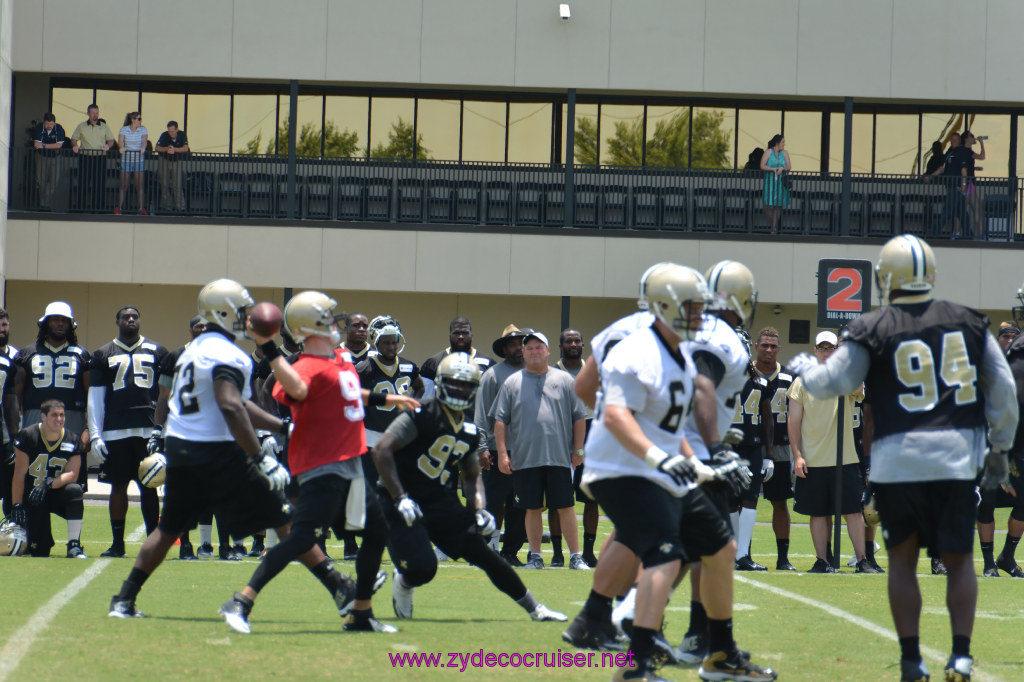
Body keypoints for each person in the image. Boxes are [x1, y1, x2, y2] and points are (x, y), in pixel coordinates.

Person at [799, 234, 1018, 681]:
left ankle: (911, 659)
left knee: (901, 560)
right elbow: (1005, 394)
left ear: (885, 278)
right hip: (957, 456)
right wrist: (999, 447)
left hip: (898, 460)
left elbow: (831, 384)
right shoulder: (969, 322)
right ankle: (960, 656)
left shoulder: (874, 325)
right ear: (930, 274)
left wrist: (806, 365)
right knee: (958, 560)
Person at [580, 264, 774, 682]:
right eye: (692, 308)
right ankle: (635, 655)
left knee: (718, 547)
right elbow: (614, 411)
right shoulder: (644, 349)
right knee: (667, 553)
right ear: (666, 306)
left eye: (703, 307)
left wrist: (698, 458)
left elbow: (675, 421)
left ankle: (714, 652)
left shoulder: (680, 351)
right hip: (632, 467)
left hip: (671, 464)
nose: (701, 317)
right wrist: (666, 455)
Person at [107, 279, 337, 619]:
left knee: (167, 529)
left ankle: (124, 600)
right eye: (243, 311)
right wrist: (260, 457)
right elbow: (231, 406)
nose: (248, 318)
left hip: (183, 449)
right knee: (287, 521)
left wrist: (282, 426)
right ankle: (341, 587)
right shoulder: (228, 354)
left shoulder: (194, 350)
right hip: (216, 454)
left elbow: (239, 403)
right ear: (225, 312)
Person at [219, 290, 418, 635]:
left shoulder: (340, 358)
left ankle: (361, 613)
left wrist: (389, 397)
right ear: (310, 326)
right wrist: (267, 346)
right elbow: (296, 388)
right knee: (301, 537)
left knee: (376, 532)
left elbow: (350, 390)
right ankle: (241, 601)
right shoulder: (303, 367)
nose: (335, 322)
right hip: (322, 462)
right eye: (327, 316)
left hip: (351, 460)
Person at [373, 352, 566, 624]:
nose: (459, 389)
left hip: (439, 499)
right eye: (454, 383)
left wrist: (478, 509)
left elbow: (471, 474)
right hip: (398, 500)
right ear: (440, 383)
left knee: (484, 554)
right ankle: (404, 581)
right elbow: (382, 451)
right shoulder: (420, 414)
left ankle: (536, 609)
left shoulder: (471, 431)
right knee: (424, 568)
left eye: (465, 385)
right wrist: (400, 497)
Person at [492, 331, 588, 570]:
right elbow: (500, 420)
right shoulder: (512, 382)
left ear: (548, 351)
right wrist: (503, 454)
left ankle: (576, 556)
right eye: (530, 348)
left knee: (566, 506)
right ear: (523, 352)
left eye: (539, 347)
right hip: (525, 458)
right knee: (531, 507)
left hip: (559, 457)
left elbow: (579, 417)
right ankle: (535, 556)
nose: (535, 351)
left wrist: (579, 450)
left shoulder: (565, 380)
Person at [787, 331, 876, 573]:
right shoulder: (801, 382)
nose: (826, 352)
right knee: (818, 513)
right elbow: (793, 422)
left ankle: (862, 560)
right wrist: (797, 455)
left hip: (844, 457)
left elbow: (859, 388)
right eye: (822, 348)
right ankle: (822, 560)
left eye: (831, 348)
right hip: (813, 459)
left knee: (853, 512)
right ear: (815, 351)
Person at [88, 306, 168, 558]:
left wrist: (163, 429)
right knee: (118, 486)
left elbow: (167, 395)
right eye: (126, 316)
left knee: (150, 487)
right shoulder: (102, 353)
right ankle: (117, 543)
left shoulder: (158, 350)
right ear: (117, 321)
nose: (131, 320)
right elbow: (96, 397)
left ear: (140, 320)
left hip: (148, 429)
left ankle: (153, 544)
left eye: (135, 316)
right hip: (115, 431)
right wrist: (95, 434)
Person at [14, 303, 91, 482]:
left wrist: (88, 428)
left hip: (72, 420)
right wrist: (17, 424)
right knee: (32, 477)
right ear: (46, 323)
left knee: (72, 480)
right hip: (34, 418)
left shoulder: (82, 355)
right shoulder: (26, 354)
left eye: (64, 320)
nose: (60, 324)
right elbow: (16, 394)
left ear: (70, 324)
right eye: (55, 319)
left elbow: (91, 395)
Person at [151, 314, 207, 560]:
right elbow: (164, 397)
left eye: (207, 326)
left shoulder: (221, 356)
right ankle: (185, 544)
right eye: (198, 326)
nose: (203, 329)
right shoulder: (174, 356)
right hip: (181, 430)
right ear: (190, 329)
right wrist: (156, 429)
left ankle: (224, 546)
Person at [474, 324, 530, 564]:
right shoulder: (492, 375)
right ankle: (486, 549)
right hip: (498, 450)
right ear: (504, 349)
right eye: (512, 345)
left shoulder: (536, 372)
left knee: (521, 506)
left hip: (528, 452)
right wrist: (482, 447)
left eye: (521, 344)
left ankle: (510, 552)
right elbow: (481, 415)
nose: (518, 349)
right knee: (493, 503)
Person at [10, 399, 87, 558]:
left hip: (55, 492)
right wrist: (17, 504)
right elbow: (19, 474)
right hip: (34, 496)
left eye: (62, 415)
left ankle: (74, 545)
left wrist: (48, 484)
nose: (59, 419)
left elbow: (72, 474)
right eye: (54, 415)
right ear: (43, 417)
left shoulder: (72, 439)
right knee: (40, 550)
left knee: (74, 490)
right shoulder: (28, 436)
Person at [977, 316, 1024, 579]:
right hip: (991, 445)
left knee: (1023, 504)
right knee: (987, 503)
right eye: (1004, 336)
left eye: (1012, 336)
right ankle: (988, 562)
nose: (1008, 339)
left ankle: (1007, 556)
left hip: (1019, 447)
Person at [751, 327, 798, 571]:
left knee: (780, 501)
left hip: (780, 447)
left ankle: (783, 558)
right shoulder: (744, 374)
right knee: (743, 501)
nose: (768, 350)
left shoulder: (790, 377)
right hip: (748, 445)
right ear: (756, 346)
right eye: (764, 345)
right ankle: (742, 553)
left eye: (773, 346)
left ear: (779, 349)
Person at [556, 328, 600, 567]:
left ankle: (589, 551)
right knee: (558, 499)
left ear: (583, 345)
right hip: (560, 435)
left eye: (577, 340)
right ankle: (556, 552)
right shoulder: (551, 371)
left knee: (591, 498)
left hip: (592, 434)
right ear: (560, 346)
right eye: (568, 341)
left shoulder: (594, 371)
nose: (573, 343)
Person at [419, 316, 494, 406]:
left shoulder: (488, 363)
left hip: (477, 419)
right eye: (456, 333)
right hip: (444, 418)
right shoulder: (433, 363)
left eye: (465, 333)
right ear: (450, 335)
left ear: (472, 336)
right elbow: (426, 401)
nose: (461, 336)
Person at [71, 103, 116, 211]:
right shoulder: (81, 126)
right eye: (93, 113)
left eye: (97, 113)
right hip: (85, 157)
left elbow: (111, 140)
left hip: (100, 158)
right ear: (88, 114)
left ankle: (98, 208)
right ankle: (81, 208)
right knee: (83, 183)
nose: (95, 115)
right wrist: (75, 146)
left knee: (99, 183)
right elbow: (73, 138)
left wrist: (108, 146)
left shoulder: (104, 126)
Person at [0, 309, 22, 518]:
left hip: (5, 433)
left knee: (8, 485)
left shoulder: (16, 357)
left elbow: (13, 399)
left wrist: (16, 435)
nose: (2, 329)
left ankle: (10, 530)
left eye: (5, 324)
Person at [929, 132, 971, 239]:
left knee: (946, 210)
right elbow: (942, 168)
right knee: (961, 213)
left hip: (956, 187)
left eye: (956, 139)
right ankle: (968, 234)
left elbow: (964, 169)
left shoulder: (961, 152)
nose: (954, 141)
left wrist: (963, 185)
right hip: (949, 186)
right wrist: (931, 176)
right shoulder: (949, 152)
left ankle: (934, 232)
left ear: (959, 141)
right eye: (952, 139)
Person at [116, 112, 148, 215]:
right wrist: (121, 147)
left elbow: (144, 140)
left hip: (139, 160)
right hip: (126, 160)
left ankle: (141, 208)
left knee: (139, 185)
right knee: (123, 185)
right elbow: (120, 140)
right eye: (138, 119)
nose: (140, 121)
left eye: (140, 119)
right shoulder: (124, 129)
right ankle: (119, 208)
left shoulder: (143, 129)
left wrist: (143, 147)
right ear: (132, 120)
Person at [155, 121, 189, 213]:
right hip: (164, 160)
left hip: (177, 161)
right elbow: (157, 148)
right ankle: (166, 207)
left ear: (177, 129)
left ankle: (180, 208)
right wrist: (167, 149)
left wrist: (175, 150)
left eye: (172, 131)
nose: (171, 133)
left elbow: (186, 148)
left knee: (177, 185)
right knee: (164, 184)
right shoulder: (164, 135)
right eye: (169, 131)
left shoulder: (182, 135)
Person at [33, 113, 66, 209]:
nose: (49, 126)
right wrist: (51, 146)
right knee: (41, 180)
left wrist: (43, 146)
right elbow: (36, 144)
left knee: (54, 181)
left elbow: (59, 145)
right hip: (41, 158)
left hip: (56, 158)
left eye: (51, 124)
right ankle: (42, 204)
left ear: (54, 123)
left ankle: (45, 202)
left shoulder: (59, 128)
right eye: (47, 124)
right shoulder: (39, 128)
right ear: (44, 122)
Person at [760, 134, 790, 234]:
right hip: (770, 181)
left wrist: (782, 168)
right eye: (782, 142)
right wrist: (772, 169)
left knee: (778, 205)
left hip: (781, 182)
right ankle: (772, 223)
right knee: (767, 205)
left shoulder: (785, 153)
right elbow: (762, 165)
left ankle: (773, 227)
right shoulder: (768, 152)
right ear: (777, 143)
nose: (784, 144)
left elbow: (789, 166)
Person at [960, 130, 986, 239]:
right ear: (966, 139)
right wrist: (981, 142)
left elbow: (964, 166)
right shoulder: (969, 152)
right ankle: (980, 234)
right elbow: (982, 156)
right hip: (968, 183)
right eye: (972, 136)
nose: (973, 138)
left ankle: (956, 233)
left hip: (961, 183)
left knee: (959, 209)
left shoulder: (960, 151)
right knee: (976, 208)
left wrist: (975, 168)